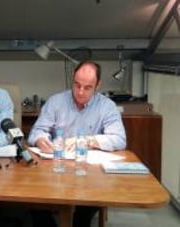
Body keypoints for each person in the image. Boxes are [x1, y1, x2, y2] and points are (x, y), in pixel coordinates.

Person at [28, 60, 126, 227]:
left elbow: (119, 139)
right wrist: (41, 139)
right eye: (77, 85)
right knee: (33, 200)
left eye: (87, 87)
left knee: (85, 208)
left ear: (98, 85)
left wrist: (87, 140)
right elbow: (35, 132)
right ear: (72, 80)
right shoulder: (55, 102)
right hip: (56, 170)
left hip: (89, 173)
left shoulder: (107, 106)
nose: (80, 92)